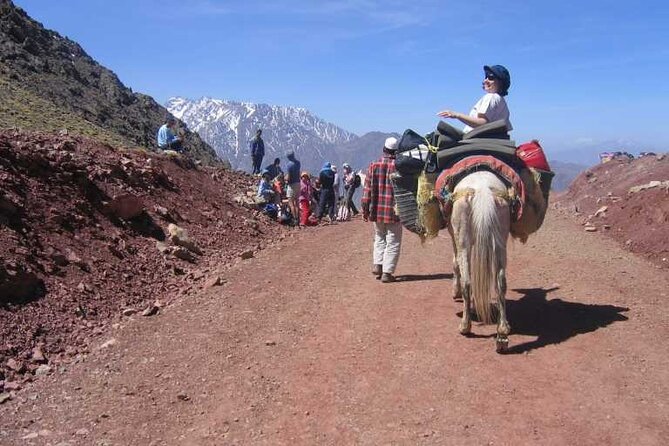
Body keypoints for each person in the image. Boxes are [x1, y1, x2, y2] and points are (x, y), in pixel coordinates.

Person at [361, 137, 403, 283]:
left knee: (379, 237)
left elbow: (367, 191)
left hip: (376, 210)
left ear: (384, 150)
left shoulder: (373, 165)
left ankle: (377, 265)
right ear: (396, 151)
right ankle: (387, 272)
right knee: (393, 241)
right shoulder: (399, 166)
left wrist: (365, 211)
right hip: (394, 211)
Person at [437, 64, 512, 133]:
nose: (485, 80)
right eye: (486, 77)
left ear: (501, 83)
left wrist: (456, 115)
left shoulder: (490, 97)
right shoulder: (502, 103)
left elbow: (482, 124)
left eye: (491, 77)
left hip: (475, 141)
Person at [284, 151, 301, 225]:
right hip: (298, 183)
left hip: (292, 185)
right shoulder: (298, 163)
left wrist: (286, 179)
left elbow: (289, 177)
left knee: (291, 203)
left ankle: (295, 219)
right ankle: (298, 218)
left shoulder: (289, 165)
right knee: (297, 202)